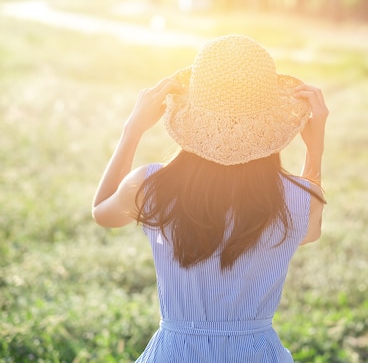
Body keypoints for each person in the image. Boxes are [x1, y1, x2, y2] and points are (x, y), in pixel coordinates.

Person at [92, 35, 328, 362]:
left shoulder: (151, 186)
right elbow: (309, 231)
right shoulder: (302, 198)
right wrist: (315, 150)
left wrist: (132, 129)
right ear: (271, 120)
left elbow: (101, 212)